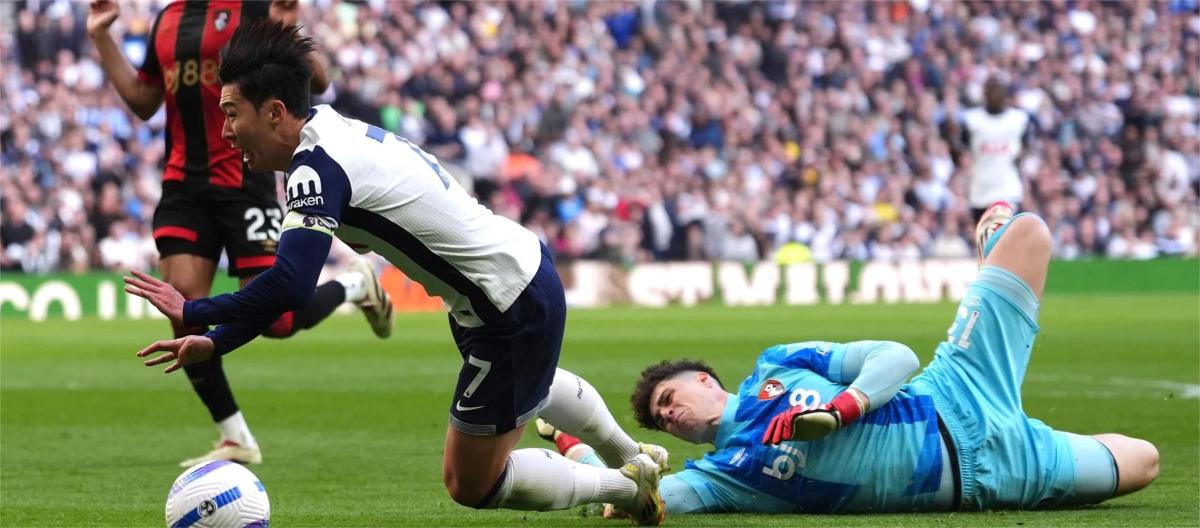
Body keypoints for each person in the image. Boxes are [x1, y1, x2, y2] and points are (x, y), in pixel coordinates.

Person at [125, 20, 669, 525]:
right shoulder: (332, 131)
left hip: (506, 307)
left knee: (470, 482)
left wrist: (194, 310)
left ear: (273, 112)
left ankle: (626, 490)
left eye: (230, 112)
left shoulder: (316, 167)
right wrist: (216, 342)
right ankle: (631, 454)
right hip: (515, 273)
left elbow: (290, 285)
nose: (224, 131)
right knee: (533, 383)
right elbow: (284, 288)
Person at [539, 204, 1159, 514]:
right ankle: (1037, 434)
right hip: (991, 479)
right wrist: (575, 445)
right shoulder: (721, 474)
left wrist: (841, 409)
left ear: (705, 380)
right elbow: (647, 496)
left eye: (670, 398)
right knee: (1145, 462)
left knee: (1024, 230)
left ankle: (984, 254)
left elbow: (896, 356)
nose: (670, 416)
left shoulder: (777, 364)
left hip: (956, 390)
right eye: (662, 419)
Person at [87, 0, 391, 467]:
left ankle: (353, 284)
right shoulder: (166, 19)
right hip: (183, 187)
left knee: (277, 320)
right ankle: (236, 435)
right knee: (183, 305)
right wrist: (101, 36)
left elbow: (319, 81)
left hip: (243, 181)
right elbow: (144, 100)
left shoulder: (252, 7)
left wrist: (289, 29)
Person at [960, 76, 1032, 223]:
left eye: (998, 91)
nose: (994, 95)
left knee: (1003, 237)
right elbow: (962, 152)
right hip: (980, 189)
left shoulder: (1018, 120)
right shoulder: (972, 121)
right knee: (984, 242)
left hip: (1007, 187)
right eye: (991, 91)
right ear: (985, 95)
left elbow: (1025, 150)